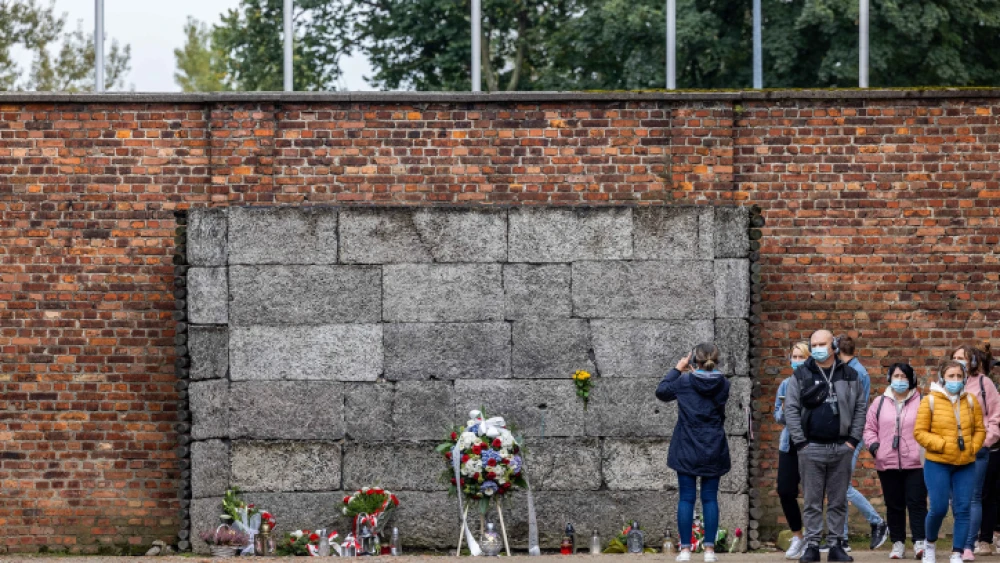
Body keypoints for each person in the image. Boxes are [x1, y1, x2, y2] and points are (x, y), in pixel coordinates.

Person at [785, 330, 868, 563]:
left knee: (838, 500)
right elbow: (791, 408)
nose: (818, 347)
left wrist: (853, 441)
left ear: (834, 345)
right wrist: (800, 442)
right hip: (810, 447)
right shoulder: (802, 374)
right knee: (811, 500)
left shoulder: (850, 374)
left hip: (841, 447)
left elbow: (860, 408)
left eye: (823, 343)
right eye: (814, 344)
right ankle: (811, 545)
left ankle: (835, 545)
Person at [656, 343, 731, 563]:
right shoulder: (724, 383)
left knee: (686, 498)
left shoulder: (683, 381)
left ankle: (686, 550)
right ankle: (709, 551)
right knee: (710, 498)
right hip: (713, 444)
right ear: (716, 360)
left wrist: (678, 369)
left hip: (687, 444)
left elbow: (662, 391)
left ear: (693, 360)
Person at [914, 360, 985, 563]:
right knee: (938, 507)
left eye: (958, 376)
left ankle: (957, 552)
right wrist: (943, 445)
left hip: (966, 464)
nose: (955, 380)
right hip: (938, 462)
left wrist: (973, 447)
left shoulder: (971, 401)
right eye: (951, 376)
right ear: (942, 378)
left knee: (963, 509)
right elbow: (919, 432)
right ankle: (929, 544)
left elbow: (980, 429)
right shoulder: (930, 401)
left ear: (964, 378)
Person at [863, 362, 927, 560]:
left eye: (904, 376)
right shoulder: (879, 402)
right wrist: (875, 448)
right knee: (894, 505)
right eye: (896, 376)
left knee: (917, 503)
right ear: (890, 378)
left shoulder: (923, 401)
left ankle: (920, 542)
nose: (900, 380)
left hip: (916, 463)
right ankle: (898, 543)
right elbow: (869, 429)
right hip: (887, 462)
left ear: (912, 379)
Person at [836, 334, 890, 551]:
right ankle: (842, 538)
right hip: (846, 434)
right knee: (840, 487)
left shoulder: (855, 373)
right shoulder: (854, 370)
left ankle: (877, 522)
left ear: (838, 351)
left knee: (843, 487)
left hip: (850, 435)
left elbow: (852, 408)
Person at [952, 345, 1000, 560]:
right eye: (954, 358)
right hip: (950, 450)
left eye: (962, 358)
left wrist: (986, 441)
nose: (958, 361)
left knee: (973, 497)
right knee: (955, 499)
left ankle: (969, 545)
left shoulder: (984, 383)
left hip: (977, 449)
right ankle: (959, 542)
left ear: (971, 362)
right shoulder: (946, 383)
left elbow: (995, 416)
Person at [777, 342, 811, 560]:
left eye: (801, 357)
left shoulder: (815, 383)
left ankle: (813, 538)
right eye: (794, 357)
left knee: (812, 494)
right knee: (785, 490)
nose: (797, 361)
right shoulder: (785, 384)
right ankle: (798, 535)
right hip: (789, 444)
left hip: (810, 444)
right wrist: (783, 409)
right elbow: (777, 418)